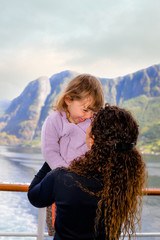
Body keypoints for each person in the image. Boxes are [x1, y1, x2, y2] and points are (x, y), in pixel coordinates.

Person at [28, 104, 146, 240]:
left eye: (92, 123)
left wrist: (53, 154)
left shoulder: (62, 178)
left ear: (92, 140)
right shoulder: (124, 181)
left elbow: (34, 197)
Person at [41, 73, 104, 170]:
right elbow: (50, 152)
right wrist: (66, 173)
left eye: (93, 111)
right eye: (85, 110)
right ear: (68, 100)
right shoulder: (54, 121)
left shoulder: (95, 122)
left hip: (87, 172)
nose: (89, 116)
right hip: (62, 172)